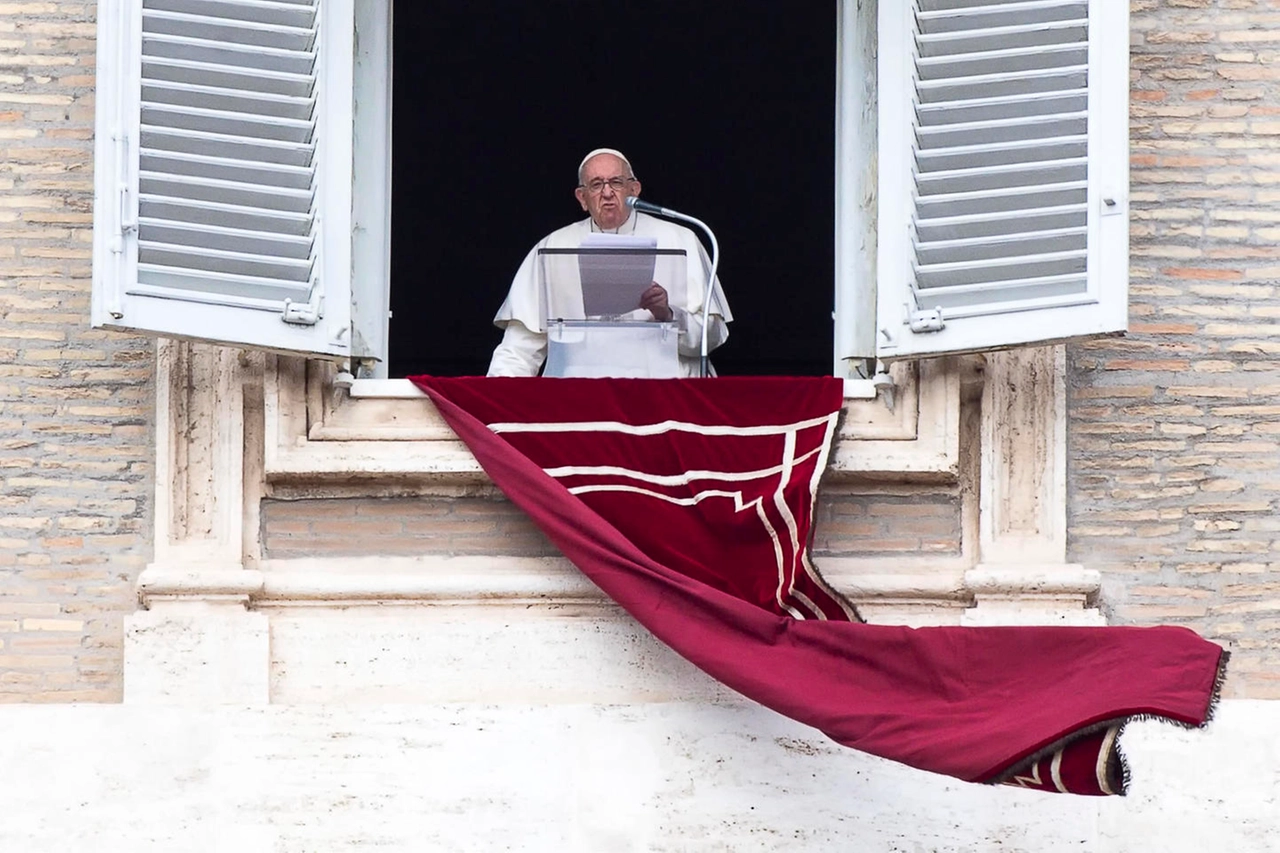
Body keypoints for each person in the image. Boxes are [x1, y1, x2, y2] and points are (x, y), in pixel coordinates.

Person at [487, 148, 732, 377]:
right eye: (596, 185)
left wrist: (667, 314)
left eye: (616, 182)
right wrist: (494, 399)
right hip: (581, 401)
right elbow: (519, 350)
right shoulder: (551, 247)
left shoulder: (681, 239)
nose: (607, 193)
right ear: (582, 198)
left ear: (634, 190)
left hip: (665, 397)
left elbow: (713, 337)